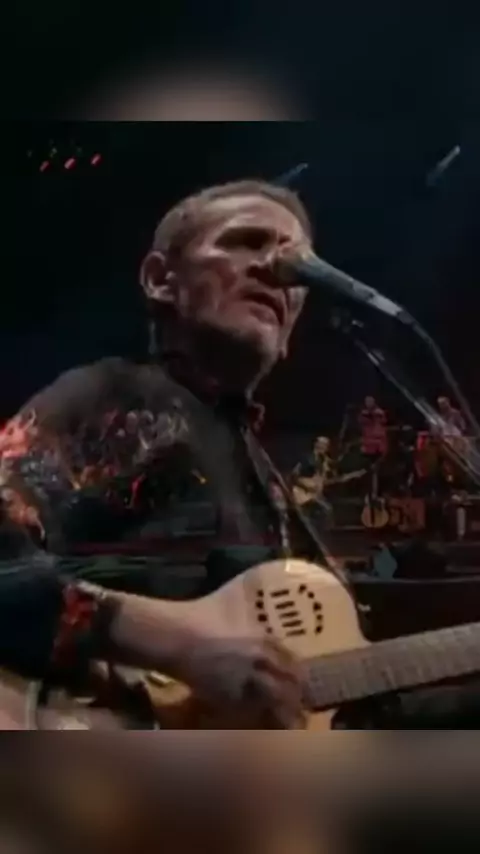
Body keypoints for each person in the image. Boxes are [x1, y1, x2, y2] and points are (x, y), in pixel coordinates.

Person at [1, 177, 479, 728]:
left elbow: (351, 716)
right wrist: (180, 649)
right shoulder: (122, 399)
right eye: (247, 242)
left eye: (299, 264)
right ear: (160, 281)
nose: (281, 270)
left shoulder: (261, 471)